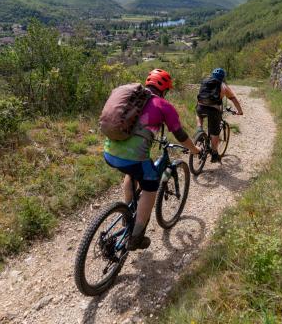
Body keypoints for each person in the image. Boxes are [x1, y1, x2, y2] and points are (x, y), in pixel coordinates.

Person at [103, 69, 200, 251]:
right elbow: (180, 135)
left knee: (132, 173)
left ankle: (128, 210)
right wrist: (194, 149)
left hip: (109, 152)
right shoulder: (163, 105)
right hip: (132, 159)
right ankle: (137, 237)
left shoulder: (133, 100)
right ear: (165, 89)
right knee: (150, 186)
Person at [196, 68, 243, 162]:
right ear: (223, 77)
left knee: (198, 114)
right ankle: (214, 153)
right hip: (214, 110)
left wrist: (199, 106)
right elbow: (234, 99)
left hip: (201, 107)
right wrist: (240, 111)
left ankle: (199, 130)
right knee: (215, 132)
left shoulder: (205, 82)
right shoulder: (223, 85)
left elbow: (199, 96)